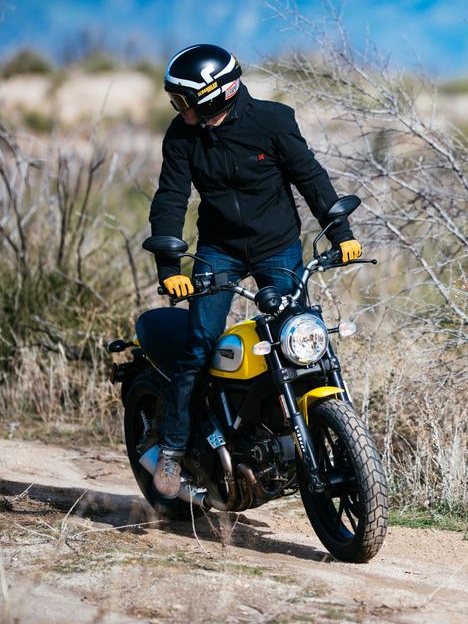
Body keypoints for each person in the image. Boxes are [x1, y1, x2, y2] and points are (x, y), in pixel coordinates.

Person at [148, 44, 362, 498]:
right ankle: (172, 449)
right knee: (199, 345)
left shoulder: (273, 121)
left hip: (277, 247)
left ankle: (302, 434)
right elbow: (171, 197)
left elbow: (310, 177)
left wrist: (341, 233)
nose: (178, 110)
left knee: (302, 342)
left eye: (183, 100)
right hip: (218, 251)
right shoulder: (182, 135)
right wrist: (169, 266)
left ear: (213, 96)